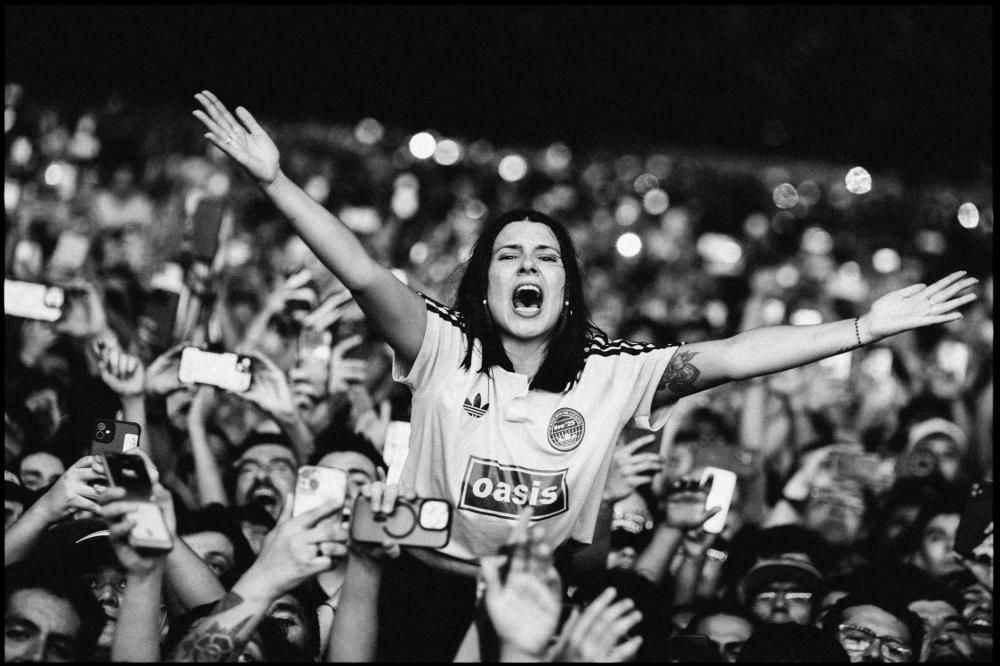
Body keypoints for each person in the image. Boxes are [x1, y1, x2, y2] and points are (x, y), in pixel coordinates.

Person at [193, 89, 979, 658]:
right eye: (509, 256)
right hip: (421, 588)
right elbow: (363, 270)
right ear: (484, 286)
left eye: (546, 257)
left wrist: (864, 328)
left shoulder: (615, 372)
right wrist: (274, 181)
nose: (527, 266)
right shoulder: (440, 345)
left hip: (537, 602)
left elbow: (733, 355)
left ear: (567, 290)